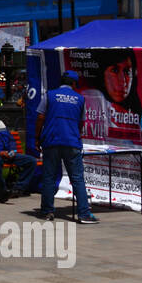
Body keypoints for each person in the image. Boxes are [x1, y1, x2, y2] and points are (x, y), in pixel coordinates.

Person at [35, 70, 97, 223]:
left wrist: (37, 138)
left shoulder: (49, 95)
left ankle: (47, 211)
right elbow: (81, 123)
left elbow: (40, 117)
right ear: (74, 84)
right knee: (77, 179)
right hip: (72, 142)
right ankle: (84, 214)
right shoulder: (80, 99)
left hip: (51, 141)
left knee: (49, 177)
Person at [80, 48, 142, 143]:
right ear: (102, 75)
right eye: (115, 71)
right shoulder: (88, 102)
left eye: (127, 72)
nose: (122, 81)